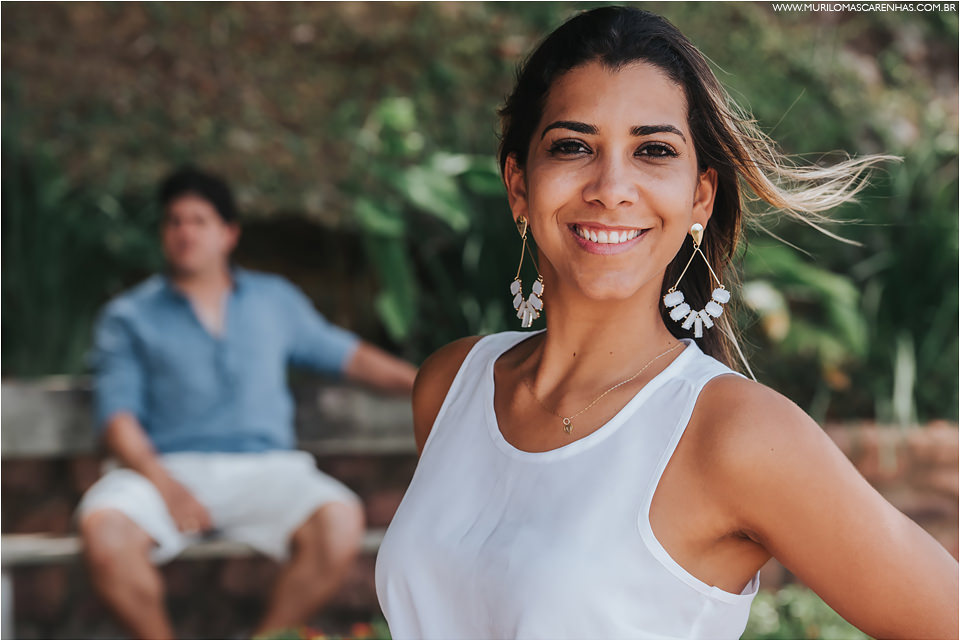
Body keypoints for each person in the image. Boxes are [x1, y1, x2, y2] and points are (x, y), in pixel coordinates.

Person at [375, 7, 958, 640]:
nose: (612, 186)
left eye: (653, 151)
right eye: (573, 146)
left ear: (700, 197)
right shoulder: (452, 383)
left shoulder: (735, 434)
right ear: (519, 185)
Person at [77, 166, 417, 639]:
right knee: (104, 532)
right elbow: (116, 418)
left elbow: (350, 357)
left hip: (268, 470)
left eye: (199, 220)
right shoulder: (129, 317)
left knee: (339, 520)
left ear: (228, 233)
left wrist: (435, 384)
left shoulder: (274, 300)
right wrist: (168, 487)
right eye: (174, 221)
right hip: (163, 471)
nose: (184, 232)